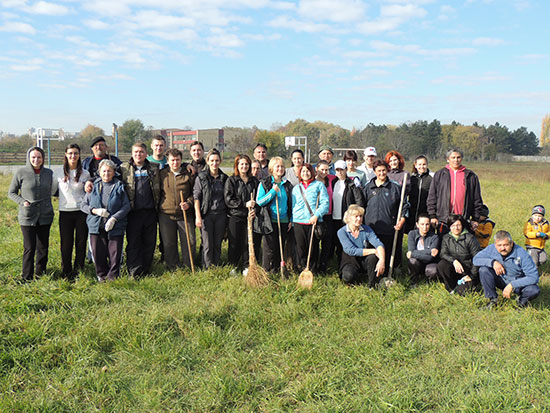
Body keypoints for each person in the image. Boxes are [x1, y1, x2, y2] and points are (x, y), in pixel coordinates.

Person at [8, 146, 54, 282]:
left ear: (43, 158)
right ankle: (26, 276)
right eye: (33, 157)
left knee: (43, 246)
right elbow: (11, 193)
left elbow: (55, 190)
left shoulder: (49, 173)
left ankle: (41, 274)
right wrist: (22, 202)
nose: (36, 159)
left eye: (39, 157)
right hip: (28, 216)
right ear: (29, 158)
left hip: (45, 214)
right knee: (29, 247)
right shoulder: (21, 172)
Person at [81, 159, 130, 282]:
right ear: (99, 172)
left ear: (114, 172)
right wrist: (94, 211)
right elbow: (83, 205)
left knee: (114, 252)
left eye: (109, 171)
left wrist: (114, 218)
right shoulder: (94, 186)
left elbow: (126, 206)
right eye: (104, 171)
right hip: (96, 225)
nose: (106, 174)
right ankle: (101, 275)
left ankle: (113, 276)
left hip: (115, 226)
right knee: (98, 252)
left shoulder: (119, 186)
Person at [120, 142, 161, 278]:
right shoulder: (124, 168)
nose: (138, 154)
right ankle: (134, 270)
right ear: (132, 154)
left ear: (146, 154)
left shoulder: (154, 168)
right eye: (136, 152)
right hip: (133, 213)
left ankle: (146, 268)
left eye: (141, 152)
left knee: (149, 242)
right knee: (133, 242)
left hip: (150, 212)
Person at [51, 143, 90, 280]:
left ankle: (79, 270)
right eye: (70, 153)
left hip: (81, 212)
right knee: (66, 243)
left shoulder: (85, 173)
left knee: (81, 242)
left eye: (76, 153)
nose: (73, 156)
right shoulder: (58, 173)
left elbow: (88, 192)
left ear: (79, 156)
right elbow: (52, 191)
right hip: (65, 213)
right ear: (66, 155)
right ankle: (66, 271)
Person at [363, 160, 409, 274]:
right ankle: (372, 275)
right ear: (374, 172)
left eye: (384, 170)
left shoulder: (395, 187)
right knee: (373, 255)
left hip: (389, 228)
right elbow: (361, 206)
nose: (382, 173)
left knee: (388, 254)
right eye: (379, 171)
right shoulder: (368, 187)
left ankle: (390, 272)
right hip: (371, 229)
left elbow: (404, 206)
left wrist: (402, 220)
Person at [474, 230, 540, 309]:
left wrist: (512, 285)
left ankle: (520, 303)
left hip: (517, 284)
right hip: (500, 280)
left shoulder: (521, 253)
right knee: (484, 270)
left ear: (511, 243)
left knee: (534, 290)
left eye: (505, 245)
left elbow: (534, 277)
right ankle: (493, 300)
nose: (502, 248)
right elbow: (475, 259)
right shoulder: (491, 249)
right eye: (499, 245)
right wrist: (493, 262)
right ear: (495, 245)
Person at [427, 148, 483, 234]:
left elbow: (477, 199)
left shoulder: (470, 176)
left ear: (462, 159)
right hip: (444, 220)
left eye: (458, 157)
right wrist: (432, 215)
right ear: (447, 159)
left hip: (463, 219)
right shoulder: (440, 174)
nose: (456, 160)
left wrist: (475, 219)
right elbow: (432, 196)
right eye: (453, 157)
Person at [158, 148, 195, 270]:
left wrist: (189, 203)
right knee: (169, 243)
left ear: (181, 160)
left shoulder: (188, 174)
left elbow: (196, 192)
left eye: (178, 160)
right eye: (172, 160)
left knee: (189, 241)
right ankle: (172, 266)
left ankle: (189, 265)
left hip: (185, 213)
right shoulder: (162, 174)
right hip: (166, 214)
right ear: (167, 161)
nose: (175, 163)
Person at [255, 157, 293, 273]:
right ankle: (266, 270)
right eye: (277, 166)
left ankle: (276, 269)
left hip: (284, 221)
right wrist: (272, 192)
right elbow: (260, 201)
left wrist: (291, 219)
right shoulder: (265, 183)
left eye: (282, 166)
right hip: (269, 221)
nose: (280, 169)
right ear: (272, 168)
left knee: (279, 246)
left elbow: (291, 203)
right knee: (269, 248)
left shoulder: (287, 184)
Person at [224, 154, 259, 274]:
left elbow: (258, 199)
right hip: (235, 215)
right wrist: (244, 204)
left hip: (250, 216)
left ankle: (246, 266)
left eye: (246, 164)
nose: (244, 166)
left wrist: (255, 209)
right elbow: (229, 200)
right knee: (234, 242)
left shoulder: (254, 181)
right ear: (237, 166)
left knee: (247, 242)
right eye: (241, 164)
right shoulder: (232, 180)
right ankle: (232, 265)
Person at [291, 163, 329, 272]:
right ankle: (301, 269)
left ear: (312, 172)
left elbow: (325, 204)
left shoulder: (319, 185)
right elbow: (293, 205)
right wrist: (292, 221)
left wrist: (317, 215)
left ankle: (312, 269)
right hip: (298, 221)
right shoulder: (296, 188)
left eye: (307, 171)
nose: (305, 173)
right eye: (303, 171)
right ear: (299, 173)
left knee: (313, 248)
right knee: (300, 248)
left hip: (313, 221)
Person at [194, 148, 228, 268]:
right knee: (207, 244)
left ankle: (216, 265)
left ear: (220, 161)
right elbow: (196, 197)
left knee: (217, 243)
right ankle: (207, 267)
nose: (215, 163)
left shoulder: (224, 178)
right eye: (212, 160)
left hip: (221, 215)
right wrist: (198, 216)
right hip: (206, 214)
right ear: (207, 161)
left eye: (217, 160)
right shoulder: (201, 177)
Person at [337, 204, 385, 286]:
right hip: (350, 260)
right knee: (348, 276)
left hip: (364, 259)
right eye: (356, 216)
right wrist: (373, 250)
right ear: (349, 218)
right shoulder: (342, 232)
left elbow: (378, 244)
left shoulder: (367, 229)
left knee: (372, 257)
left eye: (361, 216)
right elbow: (351, 250)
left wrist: (382, 260)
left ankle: (372, 284)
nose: (359, 219)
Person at [330, 160, 364, 266]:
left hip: (346, 220)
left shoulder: (352, 184)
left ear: (346, 170)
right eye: (337, 170)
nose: (339, 172)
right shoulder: (332, 183)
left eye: (342, 170)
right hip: (333, 218)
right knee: (333, 241)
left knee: (345, 243)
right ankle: (334, 262)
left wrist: (356, 217)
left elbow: (359, 201)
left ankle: (346, 264)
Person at [437, 215, 480, 294]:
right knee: (442, 264)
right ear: (449, 227)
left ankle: (464, 286)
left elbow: (477, 258)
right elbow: (443, 254)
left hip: (468, 271)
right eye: (453, 225)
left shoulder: (470, 238)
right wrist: (454, 261)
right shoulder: (446, 238)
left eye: (458, 225)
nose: (456, 228)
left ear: (462, 225)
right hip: (454, 269)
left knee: (463, 291)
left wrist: (471, 276)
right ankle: (451, 287)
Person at [406, 213, 440, 285]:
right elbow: (410, 254)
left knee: (433, 270)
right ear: (417, 224)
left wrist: (413, 253)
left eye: (427, 224)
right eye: (422, 224)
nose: (425, 227)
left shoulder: (434, 237)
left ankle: (429, 282)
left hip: (429, 264)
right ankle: (413, 281)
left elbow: (430, 258)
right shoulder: (412, 234)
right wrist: (429, 251)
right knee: (412, 261)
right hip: (417, 263)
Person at [316, 160, 336, 272]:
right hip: (316, 215)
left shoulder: (331, 179)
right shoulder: (313, 181)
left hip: (328, 215)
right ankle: (314, 263)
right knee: (315, 240)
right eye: (322, 169)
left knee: (327, 241)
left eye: (326, 169)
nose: (324, 172)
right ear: (317, 169)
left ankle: (323, 265)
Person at [407, 155, 433, 232]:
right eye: (419, 164)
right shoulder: (412, 179)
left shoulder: (431, 179)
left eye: (424, 164)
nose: (422, 166)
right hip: (412, 213)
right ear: (415, 165)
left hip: (425, 212)